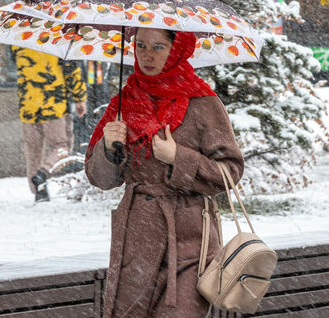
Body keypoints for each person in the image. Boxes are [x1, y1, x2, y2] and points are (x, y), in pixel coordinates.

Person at [85, 29, 244, 317]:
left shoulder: (203, 102)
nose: (147, 55)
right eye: (141, 45)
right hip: (136, 240)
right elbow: (100, 179)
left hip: (191, 241)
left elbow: (230, 172)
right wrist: (108, 148)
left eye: (158, 47)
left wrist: (178, 158)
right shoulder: (123, 102)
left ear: (177, 49)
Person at [13, 46, 87, 202]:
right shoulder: (58, 40)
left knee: (33, 151)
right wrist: (79, 97)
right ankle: (43, 174)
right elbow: (71, 71)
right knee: (62, 146)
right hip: (54, 104)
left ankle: (39, 193)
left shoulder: (18, 40)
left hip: (28, 105)